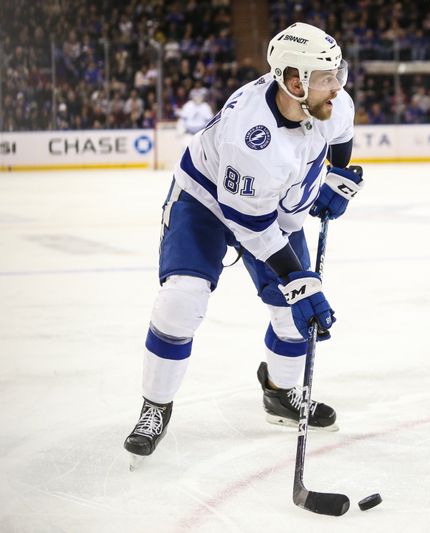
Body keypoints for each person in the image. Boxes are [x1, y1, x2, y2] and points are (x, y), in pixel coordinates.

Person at [124, 22, 364, 461]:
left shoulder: (331, 101)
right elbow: (249, 224)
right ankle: (155, 405)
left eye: (337, 73)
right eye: (328, 78)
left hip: (274, 210)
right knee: (182, 299)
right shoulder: (251, 136)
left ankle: (280, 394)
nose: (339, 86)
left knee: (295, 320)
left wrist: (339, 175)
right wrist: (300, 280)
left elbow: (342, 138)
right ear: (296, 82)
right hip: (208, 203)